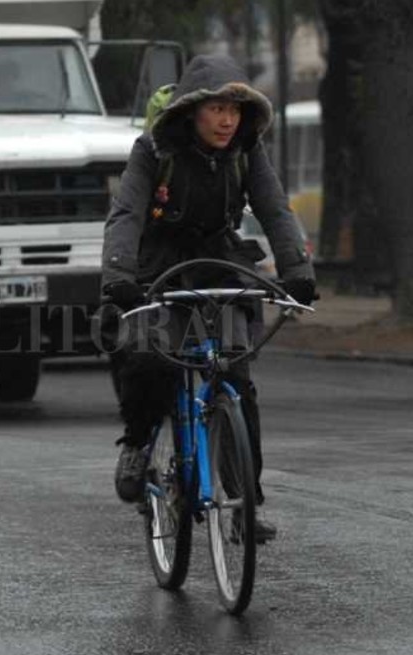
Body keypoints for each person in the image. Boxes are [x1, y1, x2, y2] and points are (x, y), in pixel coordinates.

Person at [101, 55, 317, 542]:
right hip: (157, 260)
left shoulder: (247, 151)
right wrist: (119, 277)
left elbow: (276, 210)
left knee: (236, 380)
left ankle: (244, 505)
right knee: (146, 356)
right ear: (191, 112)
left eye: (235, 110)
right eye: (216, 108)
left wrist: (297, 272)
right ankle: (138, 443)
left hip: (220, 256)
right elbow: (126, 216)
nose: (227, 120)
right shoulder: (153, 150)